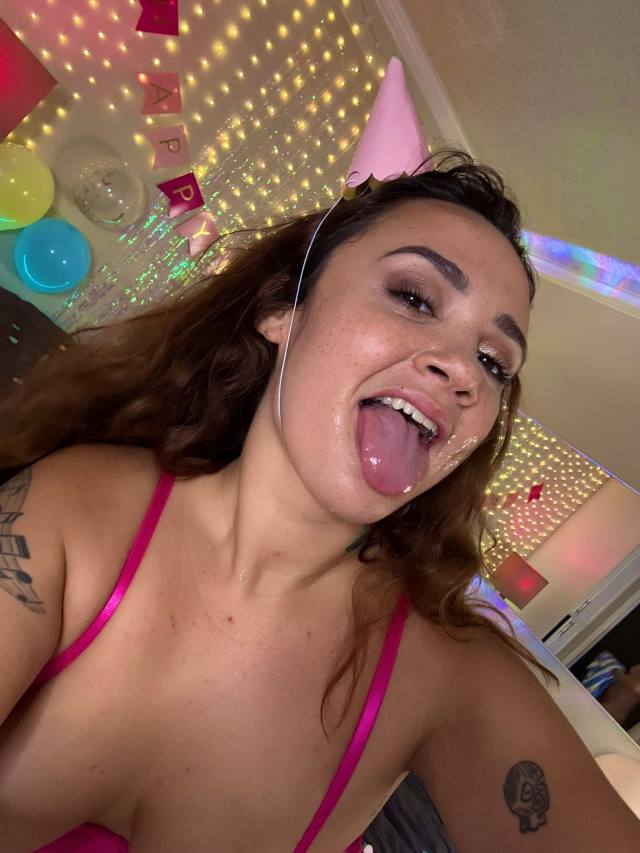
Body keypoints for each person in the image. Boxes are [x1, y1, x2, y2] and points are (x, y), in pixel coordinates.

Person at [1, 62, 639, 852]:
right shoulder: (78, 510)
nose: (463, 372)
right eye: (414, 297)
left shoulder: (447, 676)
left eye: (494, 361)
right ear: (282, 309)